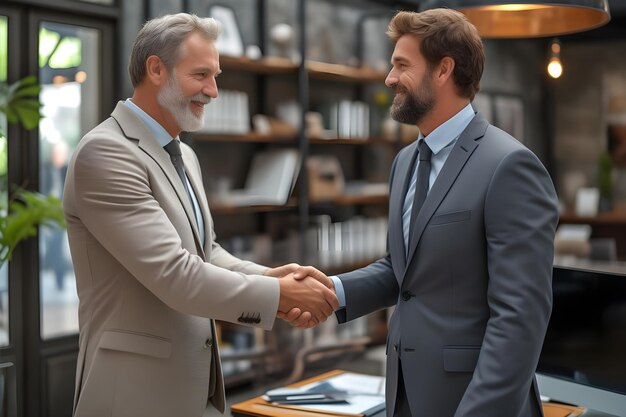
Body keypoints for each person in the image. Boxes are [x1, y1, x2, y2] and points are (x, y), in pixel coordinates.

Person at [287, 8, 559, 417]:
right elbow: (404, 269)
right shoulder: (404, 163)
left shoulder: (510, 166)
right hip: (405, 395)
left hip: (475, 403)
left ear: (443, 70)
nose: (389, 78)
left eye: (401, 65)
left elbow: (520, 320)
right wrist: (331, 291)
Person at [63, 13, 337, 417]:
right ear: (156, 69)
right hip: (133, 394)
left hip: (196, 391)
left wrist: (269, 277)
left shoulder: (184, 155)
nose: (213, 91)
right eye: (201, 75)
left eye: (216, 76)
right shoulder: (106, 153)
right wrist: (282, 297)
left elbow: (205, 253)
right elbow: (174, 274)